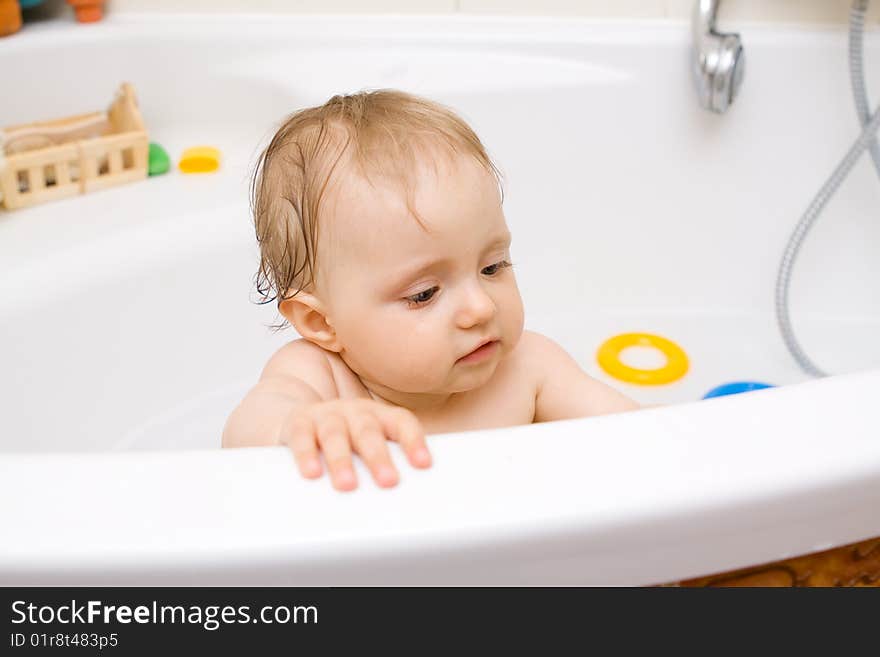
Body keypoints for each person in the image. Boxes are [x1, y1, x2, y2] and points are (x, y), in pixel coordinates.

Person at [222, 89, 639, 491]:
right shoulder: (319, 377)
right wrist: (302, 425)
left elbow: (641, 437)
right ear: (322, 322)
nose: (480, 307)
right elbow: (245, 432)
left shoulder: (528, 366)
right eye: (424, 294)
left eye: (493, 266)